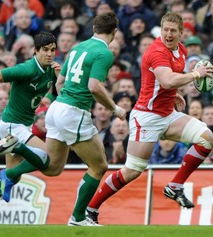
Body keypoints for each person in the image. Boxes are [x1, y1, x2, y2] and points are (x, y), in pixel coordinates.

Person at [86, 12, 213, 224]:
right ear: (161, 30)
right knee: (132, 171)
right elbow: (165, 80)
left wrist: (174, 96)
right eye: (165, 29)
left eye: (173, 31)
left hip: (168, 114)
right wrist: (195, 75)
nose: (168, 34)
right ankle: (91, 210)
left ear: (181, 33)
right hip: (146, 117)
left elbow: (165, 83)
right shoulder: (156, 50)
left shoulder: (181, 50)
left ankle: (175, 186)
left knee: (207, 138)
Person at [0, 31, 60, 224]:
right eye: (45, 50)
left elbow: (60, 95)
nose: (50, 54)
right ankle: (14, 147)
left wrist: (59, 80)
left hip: (22, 126)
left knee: (12, 177)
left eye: (52, 50)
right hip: (12, 126)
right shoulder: (26, 68)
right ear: (35, 51)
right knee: (48, 158)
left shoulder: (52, 69)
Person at [44, 12, 126, 226]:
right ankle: (78, 217)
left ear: (93, 29)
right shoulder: (104, 53)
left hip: (56, 108)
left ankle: (20, 148)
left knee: (52, 167)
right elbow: (94, 87)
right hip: (73, 111)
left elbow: (59, 83)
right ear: (114, 32)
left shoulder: (77, 47)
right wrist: (115, 108)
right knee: (99, 166)